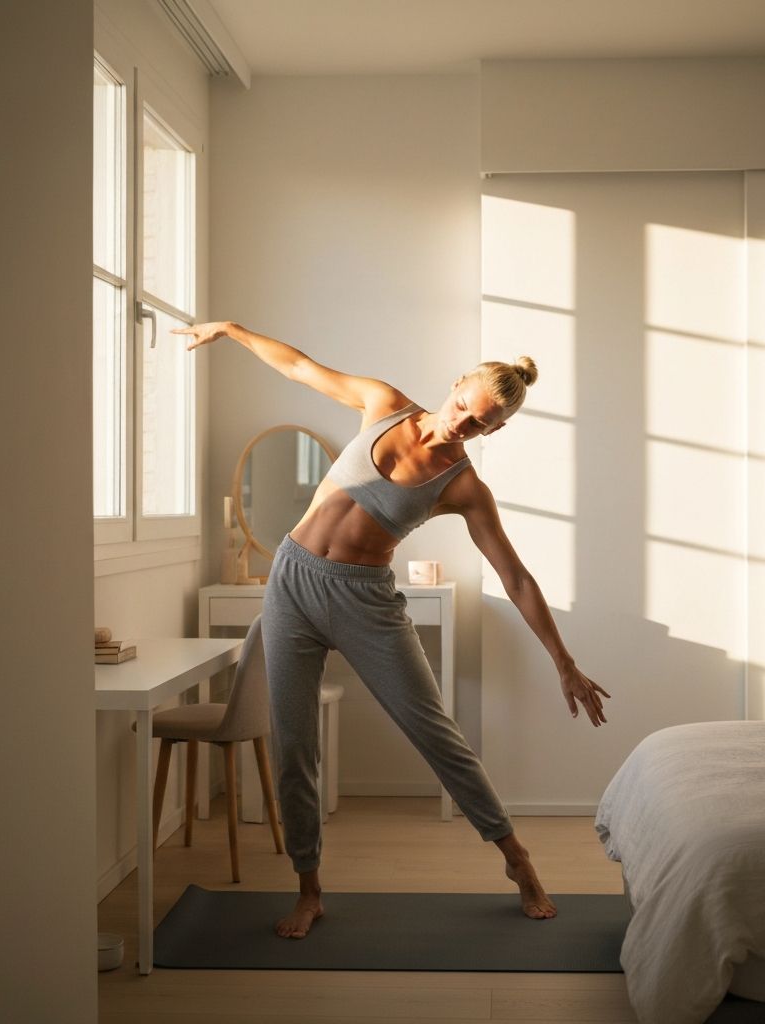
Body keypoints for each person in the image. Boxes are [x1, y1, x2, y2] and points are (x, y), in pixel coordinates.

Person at [173, 320, 610, 939]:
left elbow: (515, 577)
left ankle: (518, 859)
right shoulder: (382, 404)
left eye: (479, 423)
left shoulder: (463, 486)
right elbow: (301, 366)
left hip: (364, 601)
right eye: (463, 406)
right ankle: (310, 889)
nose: (462, 423)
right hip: (292, 581)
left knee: (436, 736)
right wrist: (230, 330)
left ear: (495, 430)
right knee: (295, 744)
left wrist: (564, 661)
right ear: (456, 384)